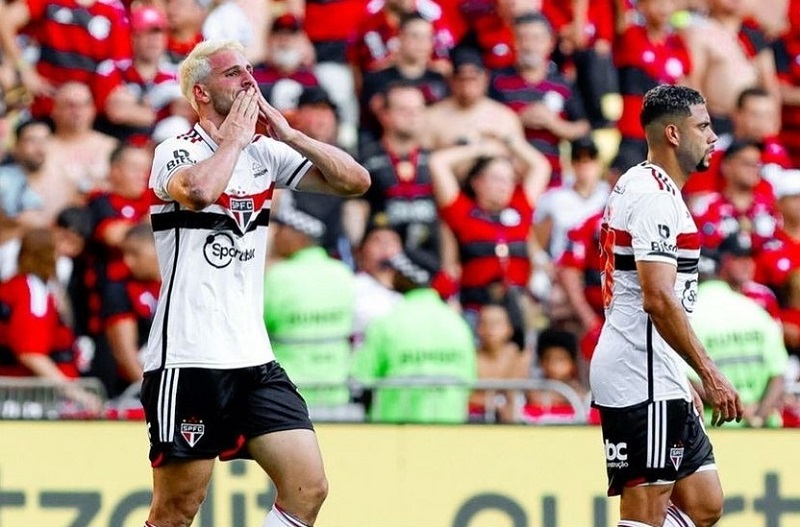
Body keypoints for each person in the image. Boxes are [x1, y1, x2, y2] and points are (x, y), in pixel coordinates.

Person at [141, 39, 369, 527]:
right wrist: (234, 141)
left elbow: (356, 182)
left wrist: (293, 136)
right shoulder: (174, 152)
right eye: (232, 73)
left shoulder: (267, 153)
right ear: (201, 93)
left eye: (249, 69)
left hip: (253, 358)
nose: (248, 79)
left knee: (309, 487)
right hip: (189, 357)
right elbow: (199, 192)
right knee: (178, 509)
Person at [590, 84, 743, 527]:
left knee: (704, 503)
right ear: (673, 134)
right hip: (640, 374)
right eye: (703, 126)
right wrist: (708, 372)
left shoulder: (640, 181)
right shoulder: (655, 198)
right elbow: (657, 297)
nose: (712, 136)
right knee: (645, 512)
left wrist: (677, 371)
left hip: (658, 368)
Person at [351, 251, 476, 423]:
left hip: (394, 429)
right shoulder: (457, 324)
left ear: (406, 276)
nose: (392, 276)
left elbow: (362, 377)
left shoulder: (386, 323)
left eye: (396, 271)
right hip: (449, 428)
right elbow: (469, 379)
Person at [263, 194, 355, 408]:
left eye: (282, 228)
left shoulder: (278, 276)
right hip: (337, 391)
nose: (276, 234)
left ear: (299, 235)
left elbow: (258, 326)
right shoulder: (342, 273)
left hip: (289, 394)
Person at [689, 241, 789, 428]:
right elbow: (778, 374)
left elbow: (685, 377)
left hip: (715, 426)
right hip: (763, 426)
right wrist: (758, 416)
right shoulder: (756, 311)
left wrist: (735, 409)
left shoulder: (687, 318)